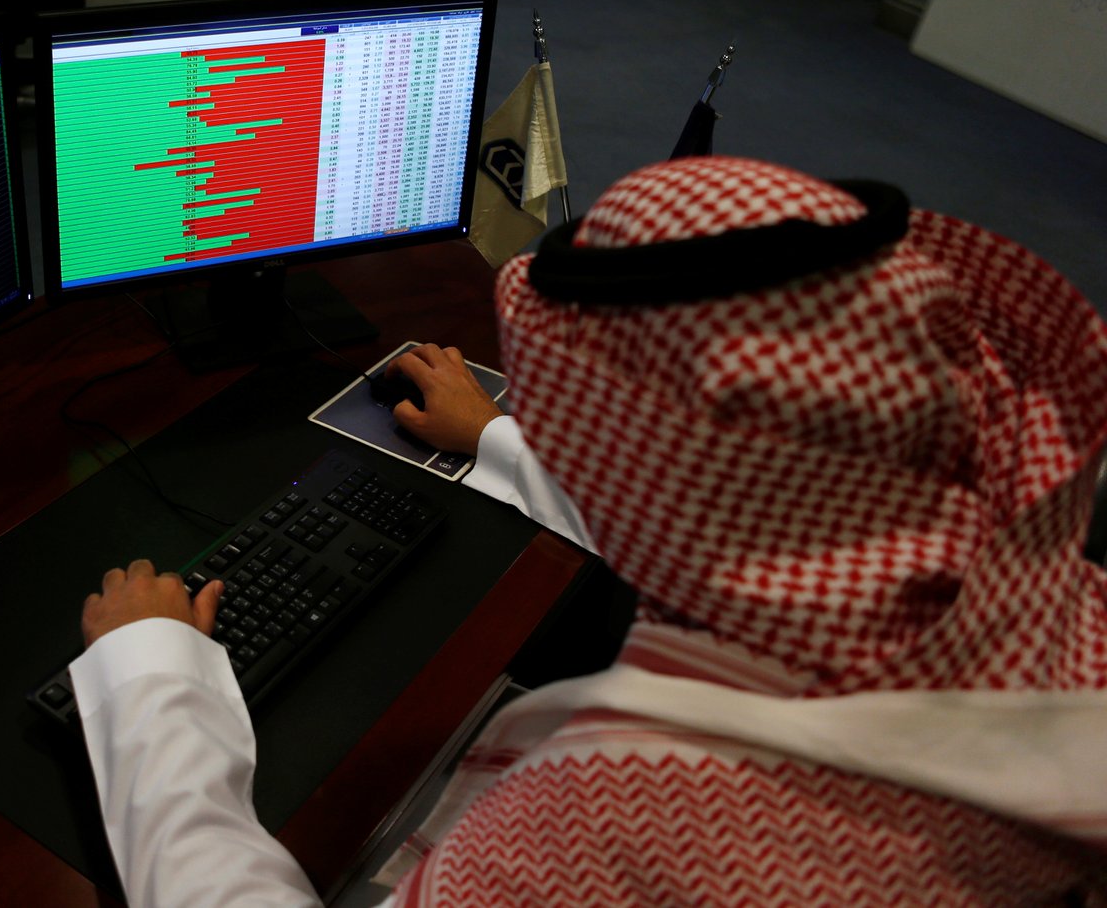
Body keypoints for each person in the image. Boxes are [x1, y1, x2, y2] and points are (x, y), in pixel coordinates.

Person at [68, 156, 1107, 905]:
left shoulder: (635, 821)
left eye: (585, 431)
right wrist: (503, 439)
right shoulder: (1040, 583)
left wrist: (151, 685)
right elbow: (750, 526)